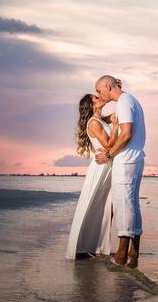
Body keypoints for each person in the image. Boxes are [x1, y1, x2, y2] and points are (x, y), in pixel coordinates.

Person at [94, 74, 146, 268]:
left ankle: (122, 254)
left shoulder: (123, 102)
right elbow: (119, 128)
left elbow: (126, 134)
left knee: (122, 204)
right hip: (136, 158)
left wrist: (108, 155)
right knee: (132, 203)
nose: (99, 95)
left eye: (99, 90)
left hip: (126, 160)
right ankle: (134, 251)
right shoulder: (130, 100)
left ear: (108, 86)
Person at [65, 93, 119, 259]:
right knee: (96, 204)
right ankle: (89, 246)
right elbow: (109, 144)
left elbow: (116, 108)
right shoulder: (94, 123)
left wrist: (117, 89)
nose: (99, 97)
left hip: (108, 164)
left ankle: (97, 246)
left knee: (106, 205)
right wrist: (116, 128)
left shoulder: (101, 119)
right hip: (101, 166)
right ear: (91, 105)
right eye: (96, 97)